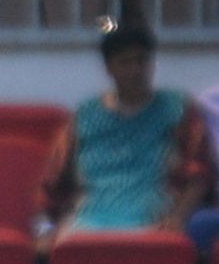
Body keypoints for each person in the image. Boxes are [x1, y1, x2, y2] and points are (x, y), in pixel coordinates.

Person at [38, 20, 219, 252]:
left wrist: (178, 218)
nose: (136, 71)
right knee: (61, 251)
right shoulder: (84, 116)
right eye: (125, 63)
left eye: (142, 61)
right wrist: (49, 226)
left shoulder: (177, 110)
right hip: (89, 217)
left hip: (156, 215)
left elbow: (199, 175)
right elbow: (54, 180)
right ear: (109, 68)